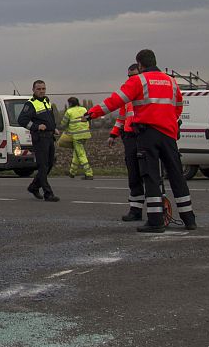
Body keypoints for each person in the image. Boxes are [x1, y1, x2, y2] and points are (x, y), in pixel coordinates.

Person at [85, 49, 195, 232]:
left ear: (140, 64)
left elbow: (115, 100)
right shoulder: (171, 81)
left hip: (147, 134)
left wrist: (92, 113)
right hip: (169, 133)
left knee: (151, 176)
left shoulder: (139, 80)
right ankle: (189, 219)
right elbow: (178, 106)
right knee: (176, 174)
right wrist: (168, 122)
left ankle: (155, 221)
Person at [108, 64, 145, 221]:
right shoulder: (127, 95)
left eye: (134, 76)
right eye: (129, 76)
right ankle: (135, 210)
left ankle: (157, 211)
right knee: (134, 174)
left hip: (144, 135)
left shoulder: (146, 90)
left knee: (149, 174)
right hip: (130, 137)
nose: (131, 79)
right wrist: (113, 134)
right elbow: (122, 117)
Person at [18, 80, 60, 202]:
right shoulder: (30, 104)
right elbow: (22, 120)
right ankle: (48, 194)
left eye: (43, 89)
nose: (41, 91)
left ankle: (34, 187)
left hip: (49, 137)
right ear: (33, 90)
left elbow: (49, 118)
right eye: (39, 89)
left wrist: (53, 128)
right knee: (43, 166)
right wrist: (36, 127)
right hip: (40, 138)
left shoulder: (46, 101)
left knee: (49, 164)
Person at [59, 97, 93, 180]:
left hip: (77, 136)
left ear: (70, 103)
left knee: (81, 154)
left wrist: (63, 127)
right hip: (85, 134)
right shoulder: (84, 109)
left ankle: (89, 173)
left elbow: (63, 124)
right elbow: (89, 119)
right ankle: (72, 172)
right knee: (77, 153)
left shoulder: (69, 111)